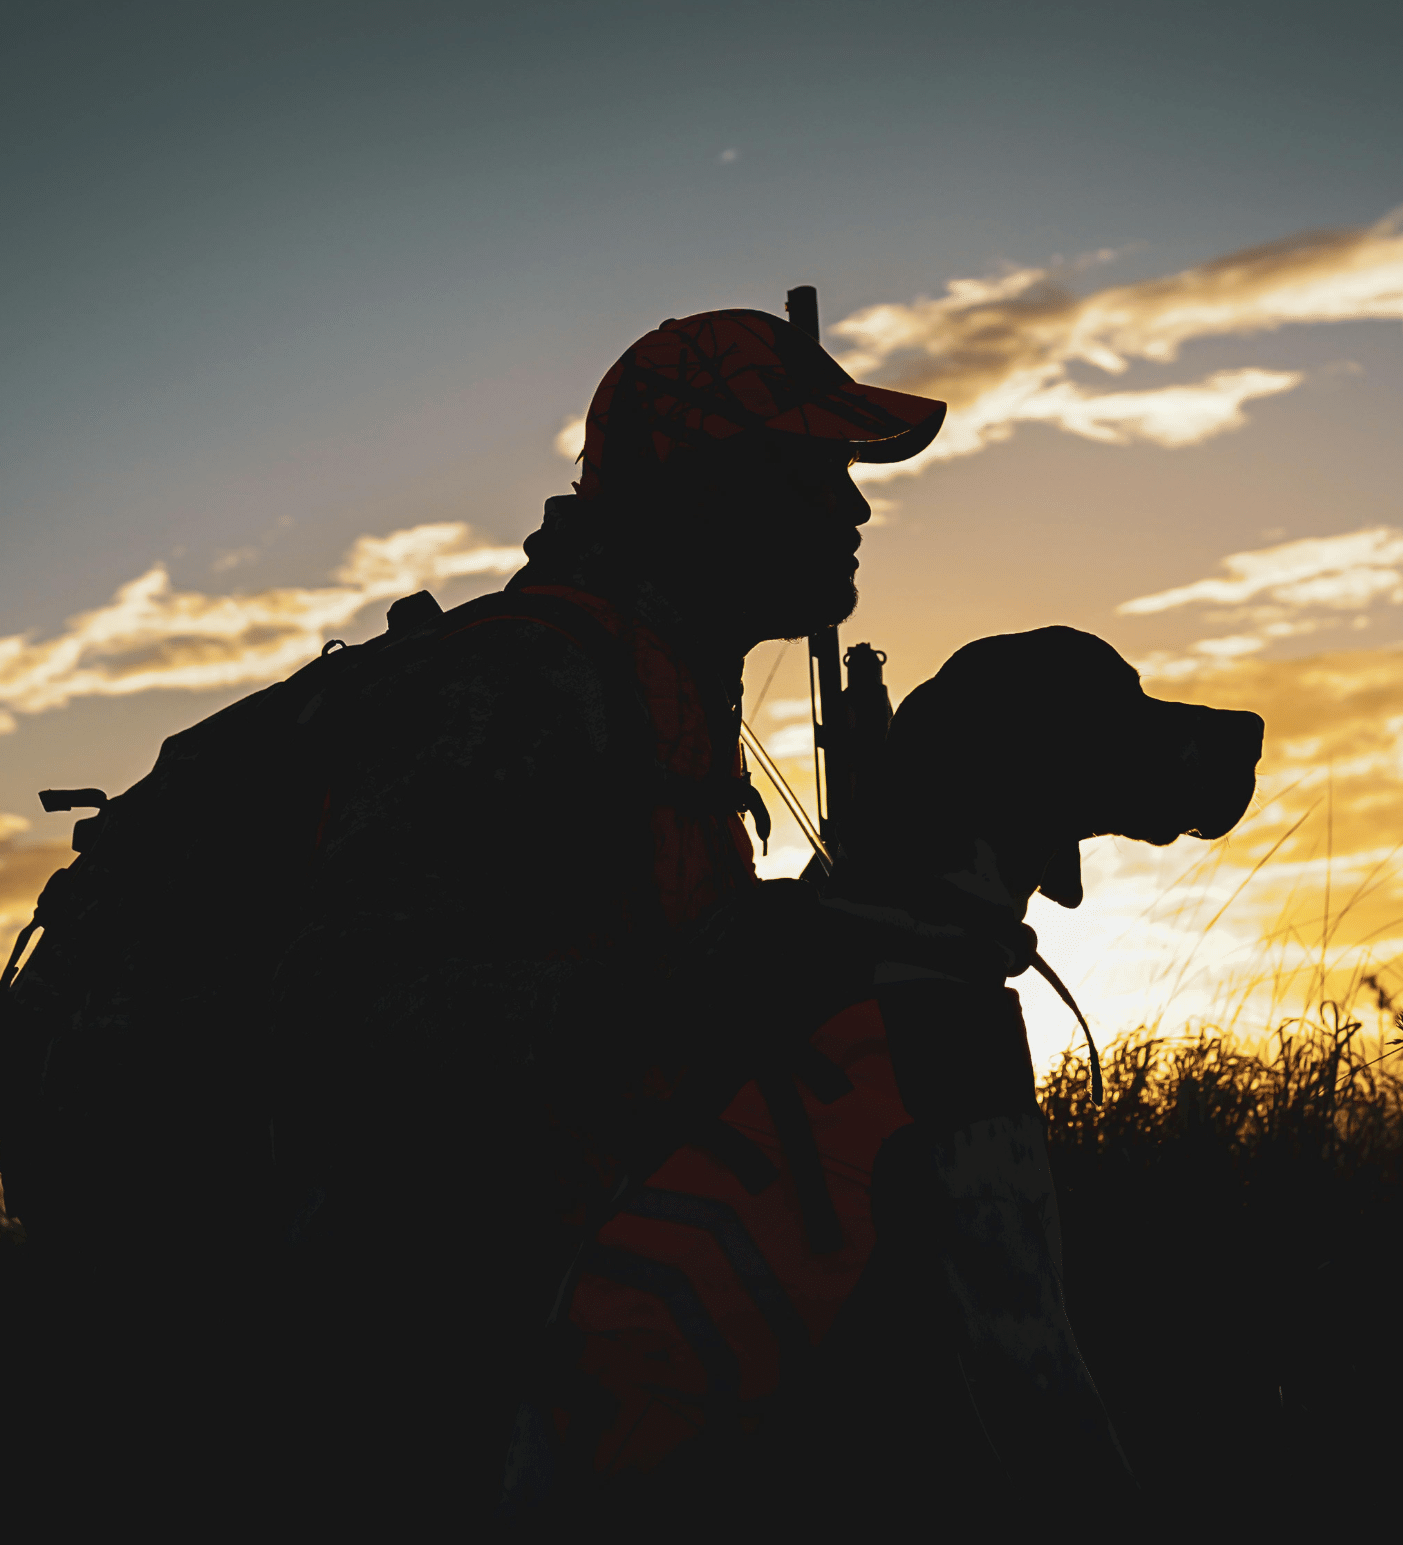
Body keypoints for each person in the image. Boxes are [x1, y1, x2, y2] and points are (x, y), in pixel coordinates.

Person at [263, 309, 945, 1521]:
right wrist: (723, 972)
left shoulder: (656, 684)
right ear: (703, 487)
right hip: (431, 1360)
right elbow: (354, 1018)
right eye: (812, 473)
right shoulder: (517, 681)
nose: (852, 510)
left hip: (583, 1316)